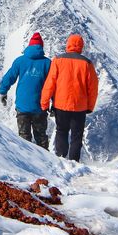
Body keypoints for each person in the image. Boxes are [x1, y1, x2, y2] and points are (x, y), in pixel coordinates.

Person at [40, 33, 98, 162]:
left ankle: (61, 159)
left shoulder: (58, 60)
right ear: (81, 46)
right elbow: (93, 88)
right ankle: (74, 162)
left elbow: (50, 83)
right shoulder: (87, 64)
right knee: (77, 136)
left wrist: (44, 104)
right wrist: (90, 106)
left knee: (61, 131)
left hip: (60, 104)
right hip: (80, 106)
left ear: (68, 45)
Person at [0, 32, 51, 149]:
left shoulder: (20, 61)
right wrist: (54, 103)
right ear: (41, 47)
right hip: (40, 106)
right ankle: (45, 164)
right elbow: (53, 85)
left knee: (24, 138)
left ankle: (27, 163)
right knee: (41, 137)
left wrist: (3, 91)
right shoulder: (47, 63)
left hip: (22, 106)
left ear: (29, 46)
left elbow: (9, 77)